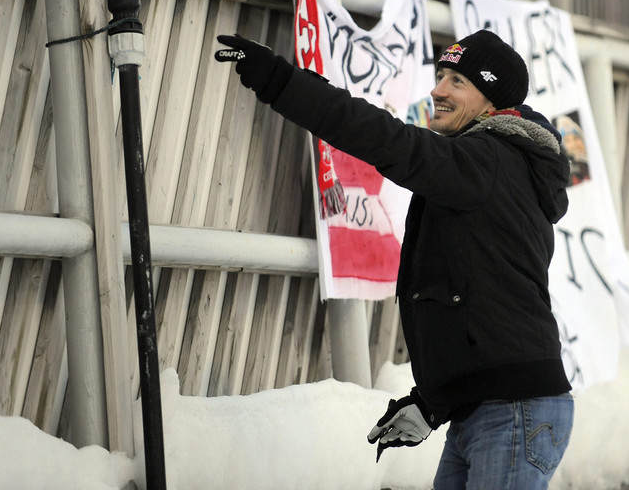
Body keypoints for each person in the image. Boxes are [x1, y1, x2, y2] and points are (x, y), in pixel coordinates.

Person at [214, 29, 574, 489]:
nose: (437, 90)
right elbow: (481, 304)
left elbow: (387, 140)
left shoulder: (487, 160)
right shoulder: (488, 166)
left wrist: (280, 81)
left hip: (513, 413)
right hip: (492, 408)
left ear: (492, 102)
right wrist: (433, 403)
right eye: (440, 75)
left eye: (457, 82)